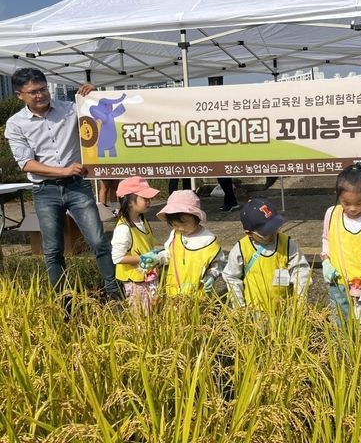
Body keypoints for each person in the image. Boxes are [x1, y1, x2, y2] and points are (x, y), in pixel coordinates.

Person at [4, 68, 123, 301]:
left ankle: (115, 293)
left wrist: (94, 96)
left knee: (98, 240)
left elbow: (101, 114)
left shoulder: (71, 109)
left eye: (43, 89)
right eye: (33, 92)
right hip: (44, 191)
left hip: (77, 186)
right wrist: (63, 170)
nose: (40, 95)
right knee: (53, 249)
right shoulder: (16, 123)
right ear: (20, 95)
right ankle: (63, 299)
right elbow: (26, 163)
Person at [321, 164, 361, 323]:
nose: (352, 208)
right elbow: (326, 238)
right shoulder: (332, 214)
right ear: (338, 196)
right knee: (341, 325)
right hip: (338, 282)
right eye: (346, 203)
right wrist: (326, 261)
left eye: (358, 203)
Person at [222, 197, 310, 312]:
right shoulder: (241, 249)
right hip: (254, 312)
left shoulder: (287, 244)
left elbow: (300, 270)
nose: (273, 234)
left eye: (275, 228)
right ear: (249, 233)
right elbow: (231, 277)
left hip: (284, 312)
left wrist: (300, 300)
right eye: (266, 233)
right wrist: (239, 307)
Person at [153, 190, 226, 297]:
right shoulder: (175, 234)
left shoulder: (208, 240)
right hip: (173, 291)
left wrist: (211, 276)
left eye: (185, 223)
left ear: (196, 217)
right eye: (175, 224)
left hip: (198, 295)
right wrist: (157, 258)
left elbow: (217, 264)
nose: (180, 228)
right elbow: (169, 254)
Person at [110, 176, 160, 313]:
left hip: (148, 277)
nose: (149, 202)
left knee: (152, 311)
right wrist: (143, 258)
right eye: (145, 198)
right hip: (135, 282)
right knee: (140, 315)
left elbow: (149, 244)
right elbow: (117, 258)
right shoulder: (123, 228)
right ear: (130, 201)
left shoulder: (142, 221)